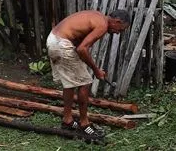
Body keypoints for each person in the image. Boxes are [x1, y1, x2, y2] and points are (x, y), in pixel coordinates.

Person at [46, 9, 131, 141]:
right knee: (85, 82)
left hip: (53, 40)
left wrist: (92, 66)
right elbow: (82, 49)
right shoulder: (102, 25)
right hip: (62, 44)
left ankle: (67, 120)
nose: (117, 33)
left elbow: (79, 43)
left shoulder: (97, 16)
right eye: (120, 30)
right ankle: (84, 124)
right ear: (117, 21)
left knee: (70, 83)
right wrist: (96, 70)